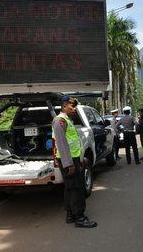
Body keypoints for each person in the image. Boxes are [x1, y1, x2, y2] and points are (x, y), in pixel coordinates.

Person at [52, 95, 97, 228]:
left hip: (73, 159)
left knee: (70, 187)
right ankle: (80, 217)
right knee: (76, 188)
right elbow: (61, 144)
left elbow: (73, 143)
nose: (74, 108)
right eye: (72, 106)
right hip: (68, 160)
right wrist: (69, 164)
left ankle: (70, 214)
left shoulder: (66, 120)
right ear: (64, 106)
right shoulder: (60, 121)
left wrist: (79, 160)